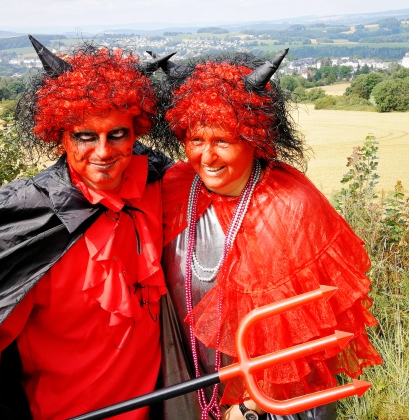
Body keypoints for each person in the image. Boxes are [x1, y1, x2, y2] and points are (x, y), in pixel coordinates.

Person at [0, 36, 174, 419]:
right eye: (85, 136)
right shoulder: (27, 224)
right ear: (60, 135)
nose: (103, 152)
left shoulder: (158, 185)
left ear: (136, 133)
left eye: (117, 134)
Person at [157, 51, 383, 419]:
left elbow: (308, 331)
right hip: (192, 388)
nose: (208, 157)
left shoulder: (292, 206)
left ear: (254, 139)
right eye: (196, 139)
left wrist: (249, 404)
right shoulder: (176, 188)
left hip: (276, 405)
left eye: (224, 141)